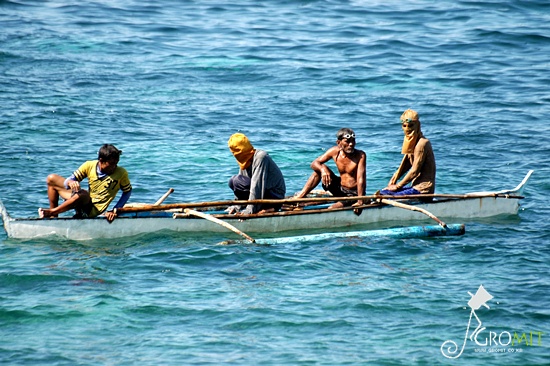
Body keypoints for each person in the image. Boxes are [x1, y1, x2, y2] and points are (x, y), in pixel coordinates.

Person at [38, 144, 132, 223]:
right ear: (101, 160)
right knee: (52, 179)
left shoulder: (121, 173)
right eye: (111, 163)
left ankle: (52, 212)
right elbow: (69, 180)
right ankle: (53, 218)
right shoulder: (89, 165)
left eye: (116, 163)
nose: (114, 166)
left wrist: (115, 209)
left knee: (82, 194)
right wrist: (71, 182)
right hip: (82, 201)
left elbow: (127, 191)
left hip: (92, 210)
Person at [295, 128, 366, 215]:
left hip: (353, 194)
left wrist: (360, 201)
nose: (351, 144)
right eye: (347, 141)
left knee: (331, 208)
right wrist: (323, 169)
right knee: (318, 170)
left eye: (353, 141)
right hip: (339, 189)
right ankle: (300, 197)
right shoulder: (334, 151)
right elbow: (314, 163)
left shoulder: (360, 155)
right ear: (339, 143)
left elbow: (360, 179)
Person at [379, 109, 436, 197]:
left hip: (423, 189)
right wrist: (393, 180)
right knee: (383, 192)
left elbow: (414, 171)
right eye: (404, 126)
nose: (407, 129)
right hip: (414, 187)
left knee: (386, 195)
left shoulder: (422, 144)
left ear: (417, 125)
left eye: (411, 125)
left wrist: (398, 186)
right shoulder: (412, 143)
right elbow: (405, 165)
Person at [226, 133, 286, 215]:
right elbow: (241, 184)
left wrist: (250, 210)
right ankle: (250, 206)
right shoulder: (244, 160)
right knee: (234, 181)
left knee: (237, 181)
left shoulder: (261, 157)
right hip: (262, 193)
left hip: (275, 195)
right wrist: (237, 206)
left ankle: (270, 207)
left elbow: (256, 185)